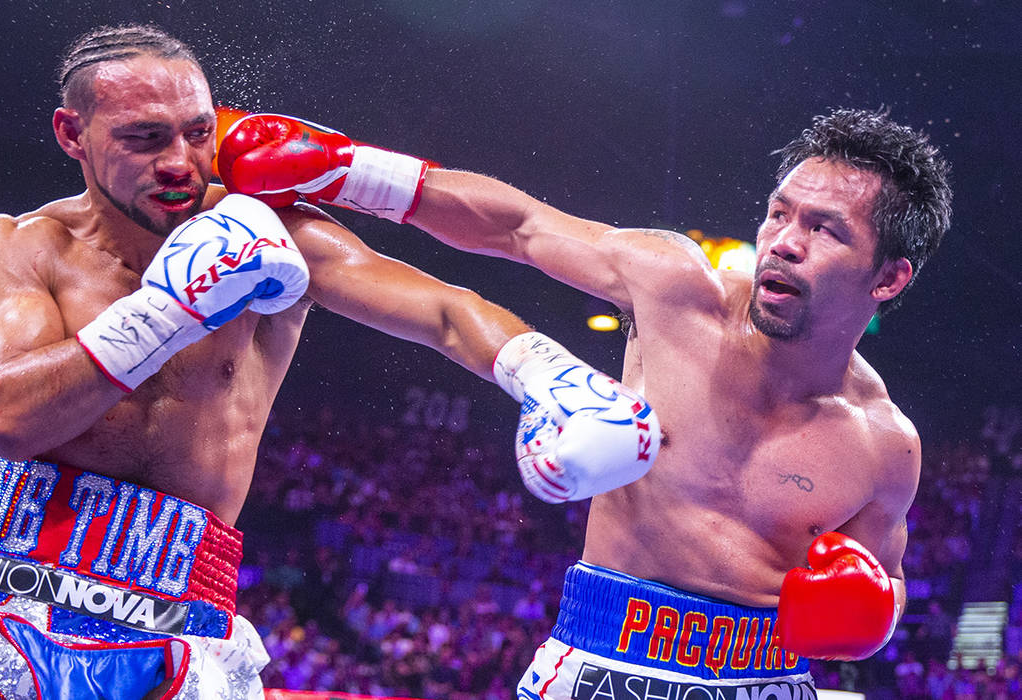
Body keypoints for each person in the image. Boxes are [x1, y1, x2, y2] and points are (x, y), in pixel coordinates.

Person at [0, 25, 658, 699]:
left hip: (181, 611)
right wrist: (170, 308)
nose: (180, 160)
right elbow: (8, 417)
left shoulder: (267, 226)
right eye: (145, 138)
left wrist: (548, 374)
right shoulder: (16, 249)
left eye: (198, 132)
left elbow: (445, 312)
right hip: (11, 595)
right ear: (72, 134)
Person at [220, 106, 952, 697]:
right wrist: (349, 170)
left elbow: (878, 586)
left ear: (887, 279)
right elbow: (519, 225)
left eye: (824, 230)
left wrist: (870, 609)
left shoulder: (885, 444)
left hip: (764, 681)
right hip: (600, 663)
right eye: (779, 214)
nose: (783, 244)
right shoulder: (677, 291)